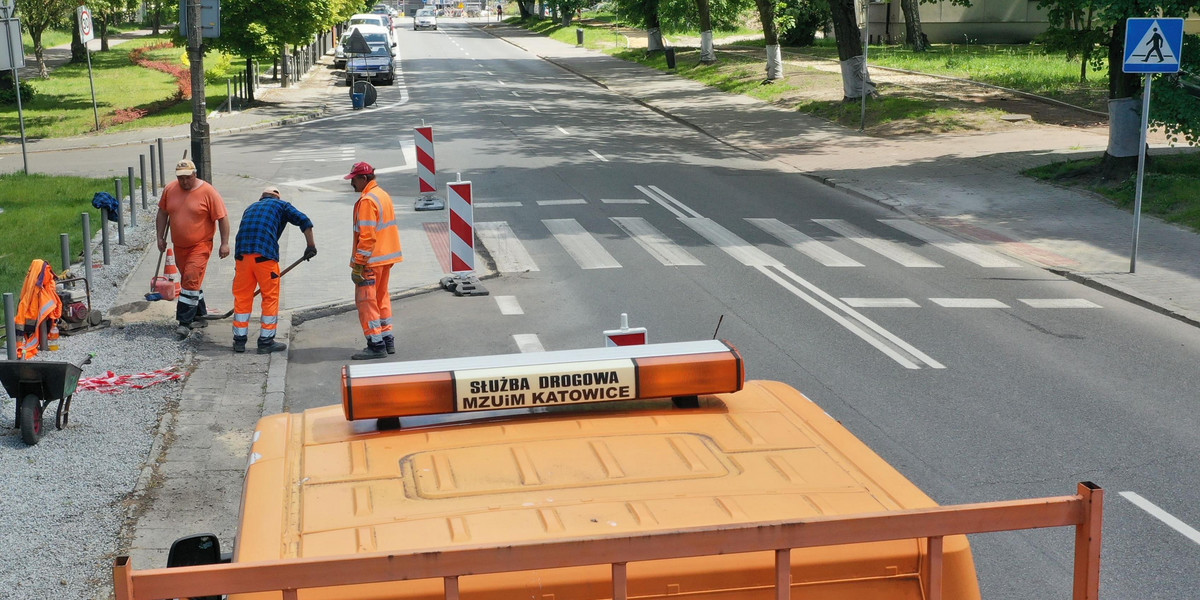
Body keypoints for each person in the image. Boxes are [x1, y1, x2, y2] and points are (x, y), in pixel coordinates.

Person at [231, 186, 318, 354]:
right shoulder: (282, 205)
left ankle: (239, 341)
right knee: (270, 297)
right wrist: (311, 246)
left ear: (261, 197)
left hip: (242, 257)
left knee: (242, 297)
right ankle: (266, 341)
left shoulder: (250, 207)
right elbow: (305, 221)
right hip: (264, 258)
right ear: (277, 198)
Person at [156, 159, 230, 337]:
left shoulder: (208, 192)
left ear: (194, 174)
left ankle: (184, 321)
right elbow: (162, 213)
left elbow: (222, 217)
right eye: (180, 178)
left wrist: (225, 243)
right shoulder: (170, 189)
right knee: (191, 281)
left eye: (187, 178)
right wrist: (159, 236)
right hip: (179, 245)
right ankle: (199, 314)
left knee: (190, 277)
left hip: (201, 244)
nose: (184, 182)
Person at [345, 162, 403, 360]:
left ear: (363, 179)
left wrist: (359, 265)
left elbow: (367, 237)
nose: (351, 183)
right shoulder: (382, 195)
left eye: (353, 179)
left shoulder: (368, 201)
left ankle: (375, 345)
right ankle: (387, 339)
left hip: (370, 262)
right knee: (381, 299)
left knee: (367, 302)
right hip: (385, 259)